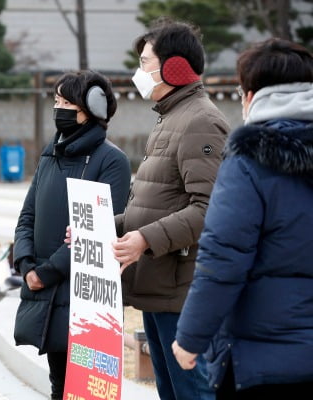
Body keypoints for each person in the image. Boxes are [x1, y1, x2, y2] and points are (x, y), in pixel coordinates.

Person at [172, 38, 313, 399]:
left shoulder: (249, 159)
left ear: (250, 95)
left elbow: (224, 258)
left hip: (264, 360)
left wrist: (190, 338)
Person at [111, 17, 230, 400]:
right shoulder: (170, 118)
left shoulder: (201, 122)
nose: (139, 72)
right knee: (170, 391)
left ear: (174, 67)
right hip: (159, 282)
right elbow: (156, 202)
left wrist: (145, 239)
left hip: (181, 289)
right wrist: (102, 227)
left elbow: (210, 208)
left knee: (191, 392)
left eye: (145, 62)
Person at [13, 70, 132, 400]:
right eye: (56, 100)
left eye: (67, 102)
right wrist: (24, 265)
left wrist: (46, 272)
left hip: (87, 298)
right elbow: (27, 216)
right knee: (58, 385)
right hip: (45, 291)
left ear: (93, 107)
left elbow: (101, 230)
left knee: (87, 393)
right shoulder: (51, 153)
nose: (59, 108)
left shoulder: (112, 161)